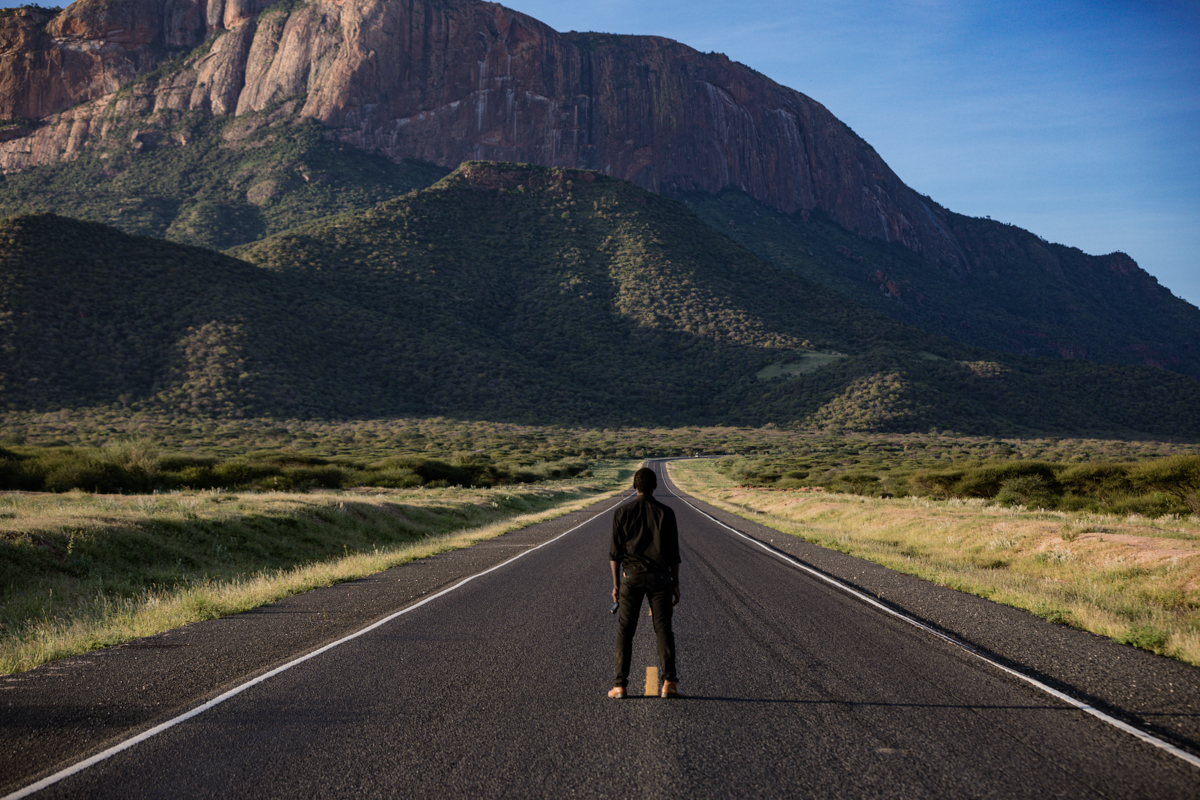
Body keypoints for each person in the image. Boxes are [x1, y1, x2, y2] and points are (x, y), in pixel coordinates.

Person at [608, 467, 681, 699]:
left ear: (634, 486)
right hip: (661, 578)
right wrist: (675, 584)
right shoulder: (666, 513)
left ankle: (620, 685)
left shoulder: (622, 512)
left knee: (625, 631)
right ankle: (669, 683)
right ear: (655, 486)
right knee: (663, 630)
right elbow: (674, 555)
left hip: (631, 577)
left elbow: (614, 555)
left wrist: (616, 584)